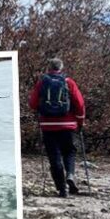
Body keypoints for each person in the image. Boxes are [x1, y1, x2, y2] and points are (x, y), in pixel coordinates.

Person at [28, 58, 85, 198]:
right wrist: (80, 122)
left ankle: (62, 190)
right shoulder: (69, 82)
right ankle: (70, 175)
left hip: (48, 126)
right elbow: (79, 103)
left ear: (49, 68)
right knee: (69, 152)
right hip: (68, 125)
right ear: (61, 68)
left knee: (54, 157)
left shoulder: (42, 83)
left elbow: (32, 104)